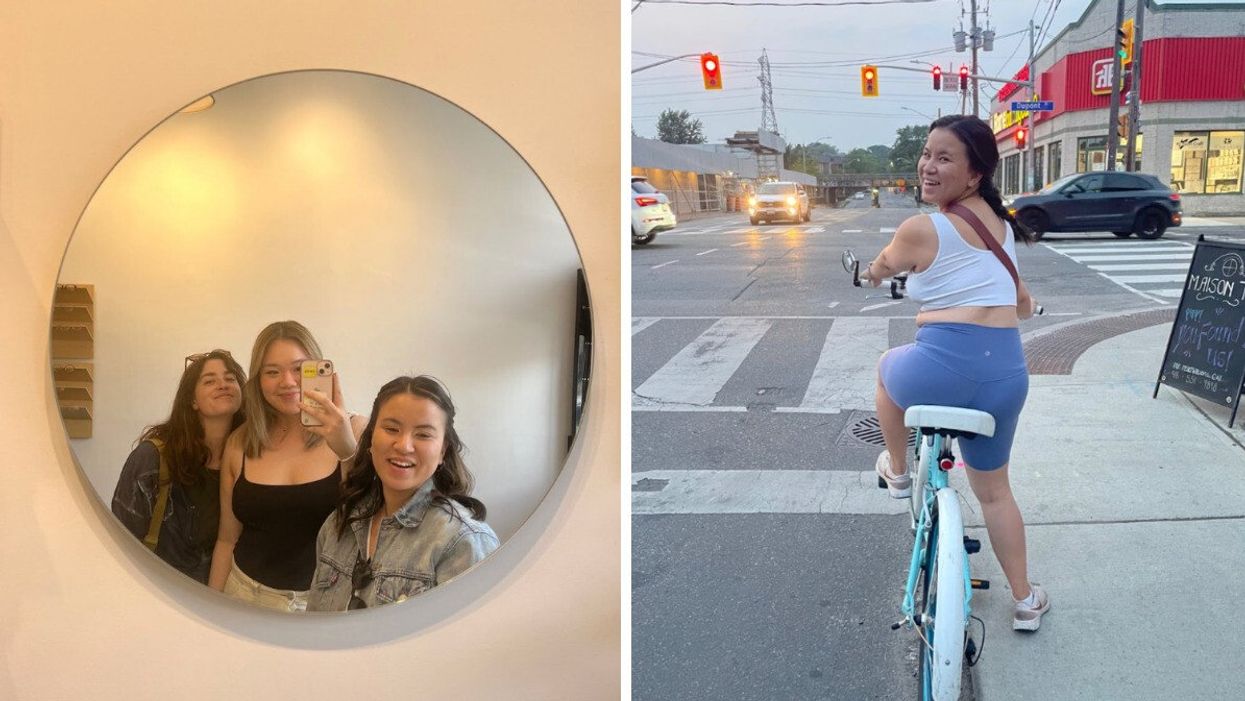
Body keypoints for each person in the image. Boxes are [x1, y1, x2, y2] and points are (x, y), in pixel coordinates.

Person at [861, 114, 1050, 631]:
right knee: (995, 493)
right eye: (927, 153)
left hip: (938, 371)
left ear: (974, 174)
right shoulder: (1001, 224)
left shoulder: (921, 228)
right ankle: (1025, 598)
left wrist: (873, 276)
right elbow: (1021, 301)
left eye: (944, 158)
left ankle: (898, 471)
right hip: (1005, 376)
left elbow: (881, 266)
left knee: (884, 370)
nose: (928, 165)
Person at [208, 321, 366, 612]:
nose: (288, 382)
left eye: (299, 369)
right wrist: (211, 610)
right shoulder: (240, 443)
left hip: (324, 606)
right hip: (244, 597)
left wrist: (347, 450)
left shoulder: (356, 431)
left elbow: (377, 523)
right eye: (272, 372)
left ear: (320, 370)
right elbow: (226, 539)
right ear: (258, 380)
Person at [308, 376, 499, 611]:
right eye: (391, 429)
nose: (404, 445)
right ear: (371, 438)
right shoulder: (338, 525)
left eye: (423, 434)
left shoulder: (464, 542)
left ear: (443, 451)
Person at [111, 350, 246, 584]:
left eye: (230, 378)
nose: (223, 385)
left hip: (225, 603)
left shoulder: (253, 462)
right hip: (158, 595)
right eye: (210, 381)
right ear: (192, 400)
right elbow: (119, 541)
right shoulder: (152, 458)